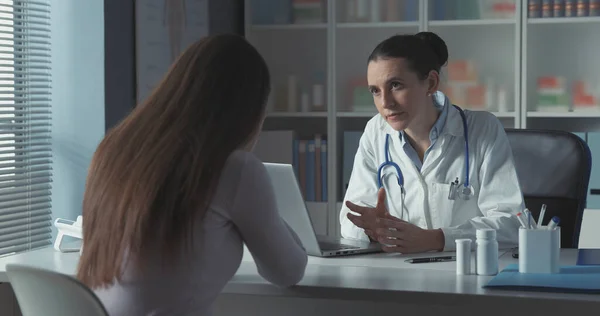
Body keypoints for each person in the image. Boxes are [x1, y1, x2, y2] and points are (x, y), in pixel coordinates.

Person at [76, 34, 308, 316]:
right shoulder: (236, 169)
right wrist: (260, 207)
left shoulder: (112, 151)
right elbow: (288, 271)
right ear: (247, 111)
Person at [339, 32, 524, 254]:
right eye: (375, 91)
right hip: (398, 274)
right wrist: (374, 230)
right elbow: (350, 221)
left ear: (431, 83)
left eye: (396, 85)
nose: (385, 102)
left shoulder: (481, 129)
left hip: (466, 273)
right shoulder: (375, 132)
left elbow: (511, 224)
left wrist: (437, 239)